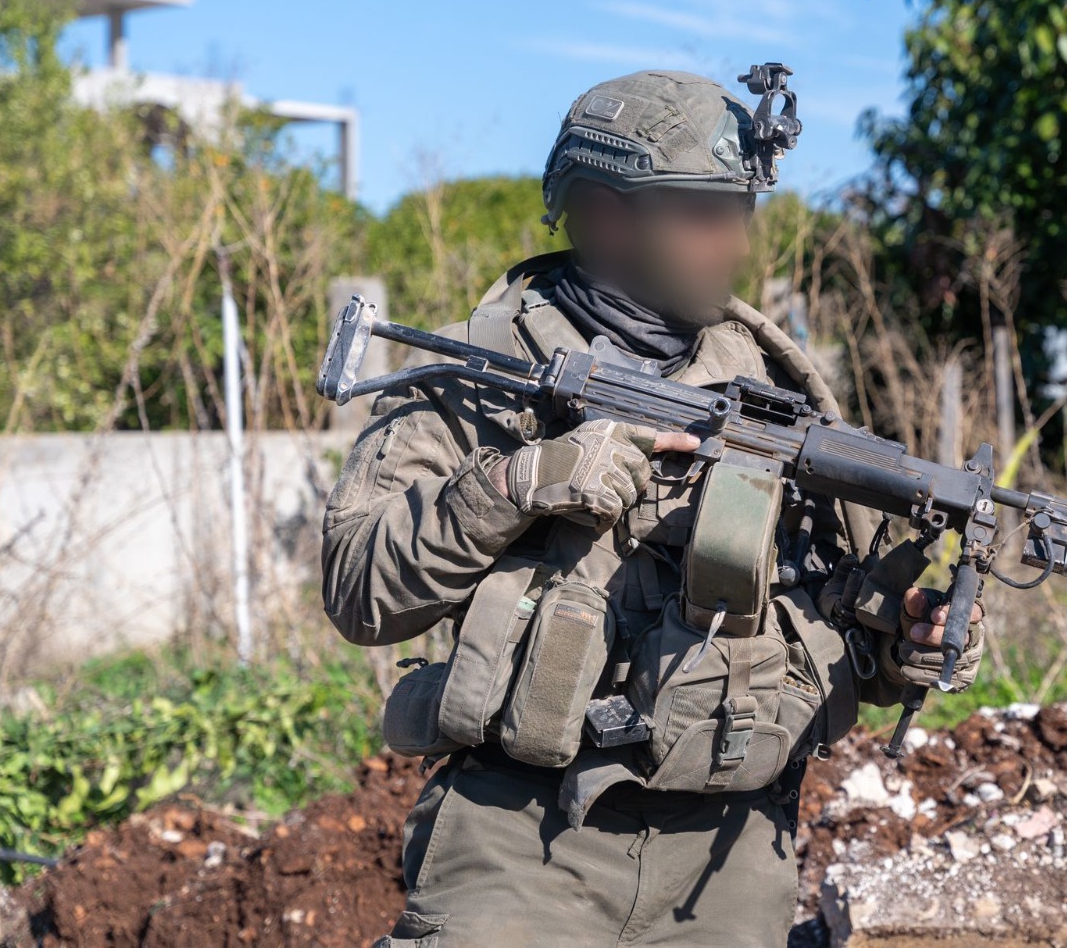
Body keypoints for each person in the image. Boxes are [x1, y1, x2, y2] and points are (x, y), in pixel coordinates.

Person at [321, 65, 985, 947]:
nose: (737, 246)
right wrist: (520, 482)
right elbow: (360, 590)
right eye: (705, 215)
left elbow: (858, 638)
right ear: (604, 212)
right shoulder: (482, 369)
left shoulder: (780, 393)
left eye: (741, 214)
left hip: (730, 857)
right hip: (521, 841)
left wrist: (909, 639)